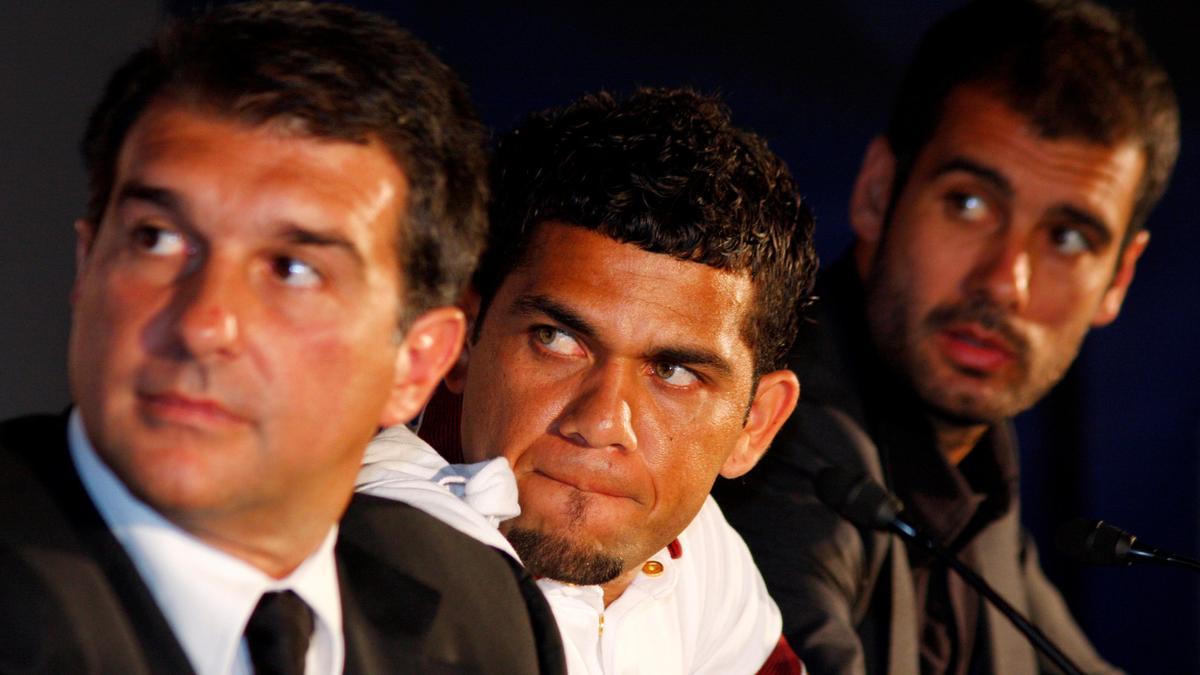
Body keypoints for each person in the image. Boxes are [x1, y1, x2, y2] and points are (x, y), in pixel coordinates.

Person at [0, 3, 563, 674]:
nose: (204, 324)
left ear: (417, 362)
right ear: (86, 266)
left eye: (293, 270)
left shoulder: (481, 607)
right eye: (157, 239)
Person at [713, 1, 1180, 673]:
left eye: (1067, 238)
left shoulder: (974, 466)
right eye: (969, 203)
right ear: (878, 192)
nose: (1005, 282)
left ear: (1119, 278)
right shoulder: (771, 435)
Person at [362, 87, 817, 674]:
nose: (601, 423)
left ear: (753, 426)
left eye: (673, 372)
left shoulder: (691, 539)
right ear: (463, 343)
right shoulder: (387, 545)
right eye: (557, 340)